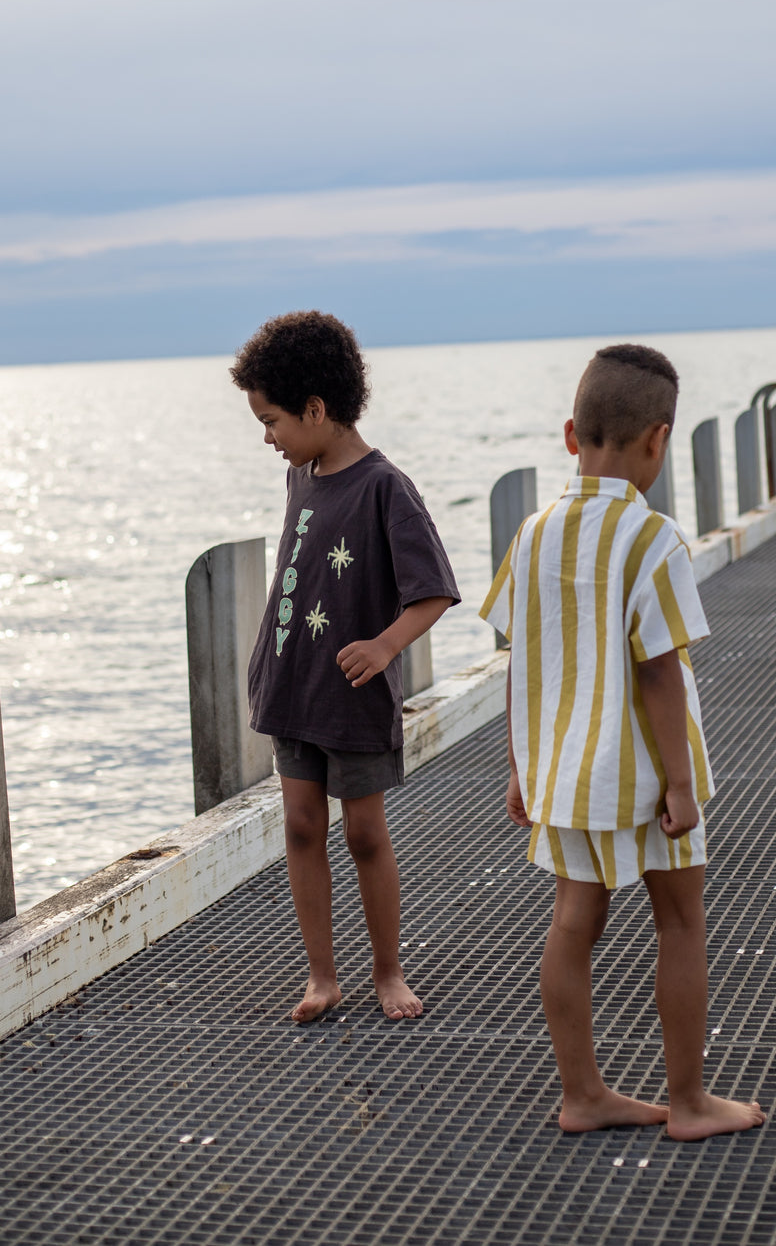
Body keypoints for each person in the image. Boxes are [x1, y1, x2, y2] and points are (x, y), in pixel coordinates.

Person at [481, 343, 765, 1141]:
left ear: (572, 434)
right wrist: (679, 782)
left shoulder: (532, 535)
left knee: (574, 922)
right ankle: (688, 1101)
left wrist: (519, 767)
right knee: (680, 922)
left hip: (566, 776)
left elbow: (520, 663)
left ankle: (583, 1093)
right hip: (643, 771)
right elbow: (659, 672)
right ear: (658, 440)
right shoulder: (654, 540)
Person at [231, 310, 459, 1024]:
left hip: (352, 696)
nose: (267, 437)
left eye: (272, 421)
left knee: (364, 833)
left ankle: (387, 971)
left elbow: (434, 591)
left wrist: (387, 646)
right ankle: (322, 977)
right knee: (301, 825)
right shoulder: (302, 474)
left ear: (316, 408)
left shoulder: (387, 488)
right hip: (291, 687)